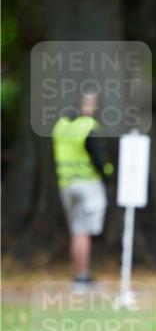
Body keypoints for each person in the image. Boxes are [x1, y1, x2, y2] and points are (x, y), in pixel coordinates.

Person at [52, 90, 113, 290]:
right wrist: (108, 174)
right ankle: (82, 277)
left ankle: (80, 274)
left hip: (66, 184)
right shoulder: (87, 126)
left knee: (77, 231)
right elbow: (98, 157)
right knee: (84, 232)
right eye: (92, 103)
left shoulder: (60, 126)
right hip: (87, 184)